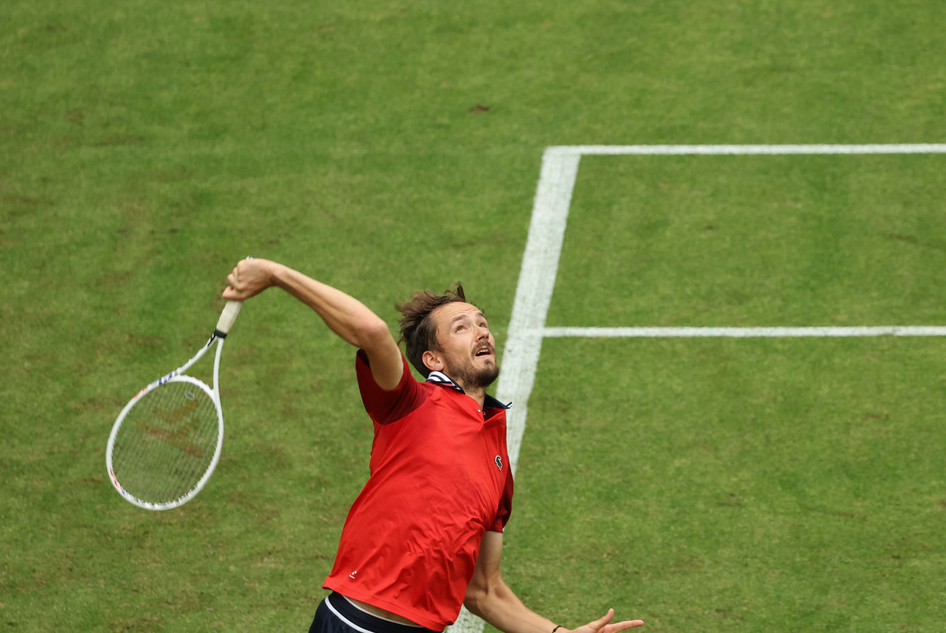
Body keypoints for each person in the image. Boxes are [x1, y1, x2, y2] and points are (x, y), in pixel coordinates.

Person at [223, 258, 644, 633]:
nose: (481, 331)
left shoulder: (497, 457)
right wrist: (275, 274)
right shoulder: (409, 402)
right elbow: (371, 331)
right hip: (357, 623)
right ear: (433, 360)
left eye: (482, 322)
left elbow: (484, 590)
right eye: (461, 327)